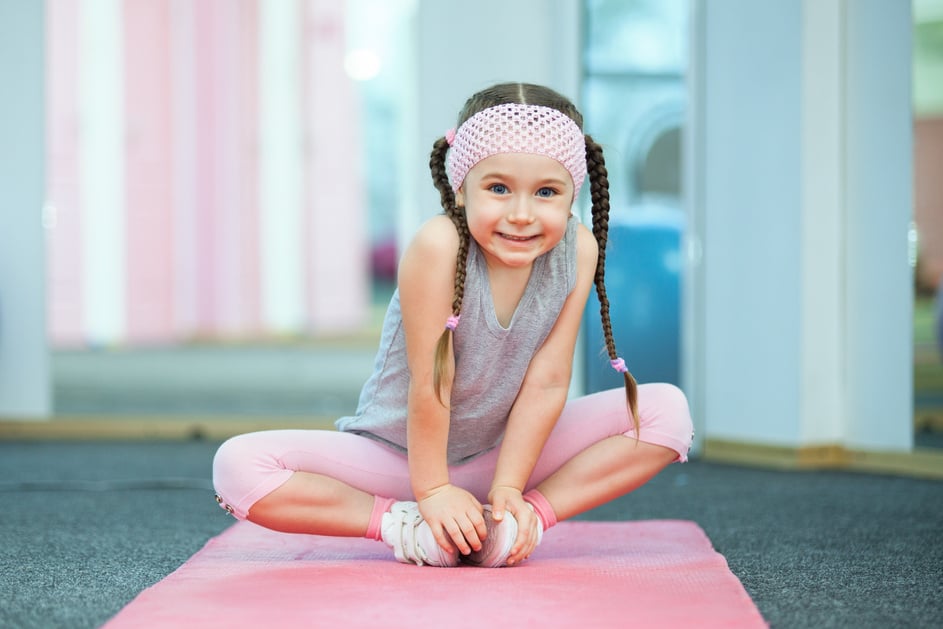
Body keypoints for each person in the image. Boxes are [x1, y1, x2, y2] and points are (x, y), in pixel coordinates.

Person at [212, 82, 694, 568]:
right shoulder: (439, 245)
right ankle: (407, 526)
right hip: (400, 460)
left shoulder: (579, 248)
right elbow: (432, 382)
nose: (522, 214)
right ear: (461, 189)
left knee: (666, 413)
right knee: (238, 467)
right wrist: (434, 490)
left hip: (504, 456)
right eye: (498, 188)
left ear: (572, 197)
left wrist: (510, 487)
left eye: (546, 192)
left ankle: (514, 523)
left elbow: (548, 381)